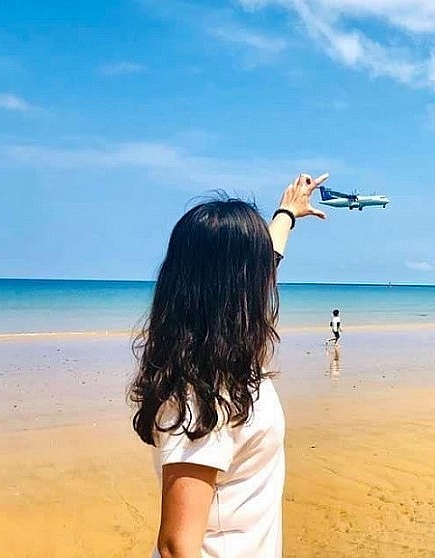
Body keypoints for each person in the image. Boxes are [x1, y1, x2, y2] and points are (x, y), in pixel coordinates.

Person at [129, 172, 328, 558]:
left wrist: (286, 211)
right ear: (239, 287)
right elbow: (175, 546)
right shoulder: (203, 392)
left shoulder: (225, 361)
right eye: (258, 272)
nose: (269, 280)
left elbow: (269, 256)